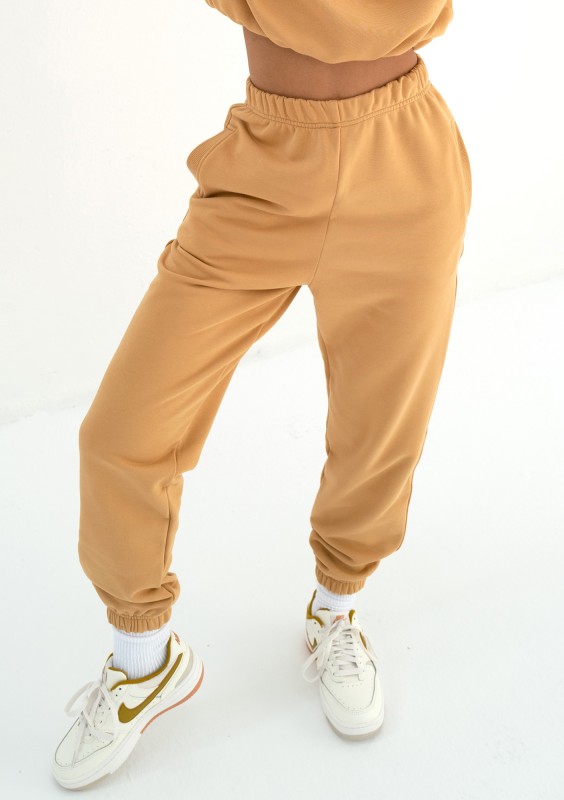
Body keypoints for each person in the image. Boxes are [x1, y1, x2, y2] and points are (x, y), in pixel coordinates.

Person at [52, 0, 471, 788]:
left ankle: (336, 610)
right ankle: (144, 660)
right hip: (264, 175)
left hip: (404, 169)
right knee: (119, 433)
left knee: (382, 428)